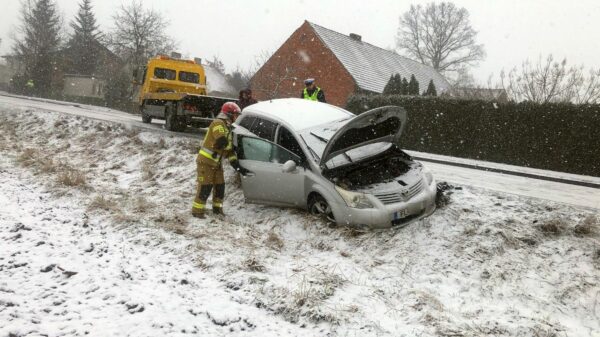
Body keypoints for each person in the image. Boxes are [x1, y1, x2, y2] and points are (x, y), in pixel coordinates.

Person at [191, 102, 244, 219]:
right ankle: (197, 211)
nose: (237, 118)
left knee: (220, 187)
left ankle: (217, 210)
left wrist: (235, 162)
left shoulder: (229, 128)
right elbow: (221, 140)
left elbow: (229, 150)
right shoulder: (218, 123)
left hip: (216, 163)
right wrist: (229, 144)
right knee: (205, 187)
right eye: (236, 115)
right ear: (229, 114)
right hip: (206, 162)